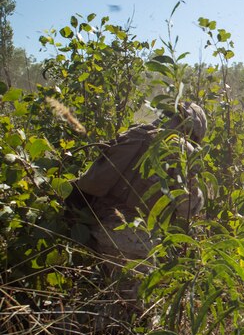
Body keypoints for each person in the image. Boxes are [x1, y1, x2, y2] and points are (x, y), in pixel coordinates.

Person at [68, 102, 207, 306]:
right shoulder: (182, 150)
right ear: (193, 131)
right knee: (134, 315)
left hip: (94, 228)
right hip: (135, 241)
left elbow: (90, 183)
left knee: (97, 296)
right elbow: (189, 207)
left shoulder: (135, 134)